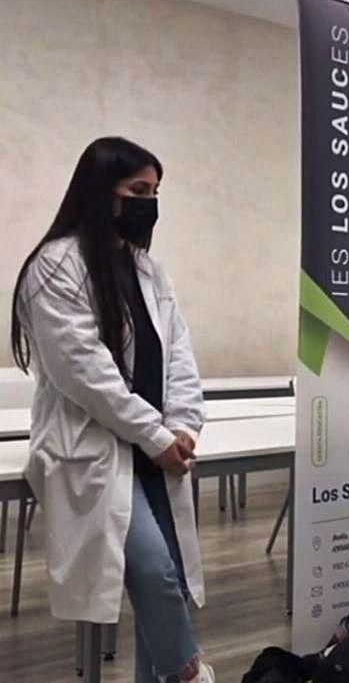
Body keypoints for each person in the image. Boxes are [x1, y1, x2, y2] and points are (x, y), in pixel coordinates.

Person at [10, 137, 212, 682]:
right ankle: (192, 674)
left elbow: (180, 357)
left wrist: (184, 423)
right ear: (103, 194)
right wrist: (156, 435)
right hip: (92, 448)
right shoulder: (55, 268)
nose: (151, 203)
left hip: (155, 446)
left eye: (156, 192)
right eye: (139, 191)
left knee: (165, 583)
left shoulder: (149, 270)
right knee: (155, 575)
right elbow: (86, 374)